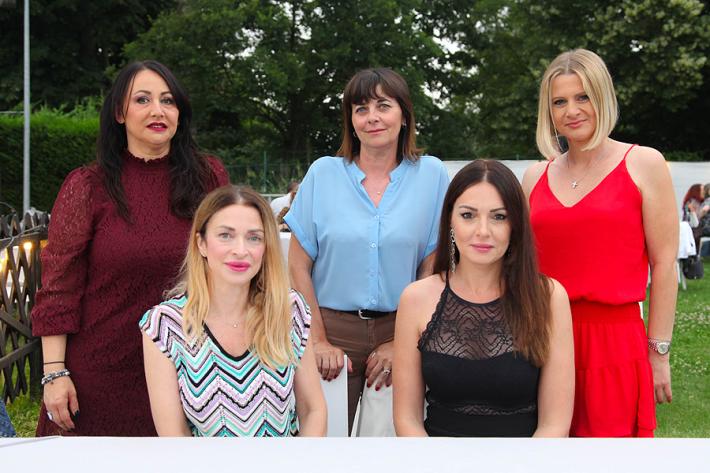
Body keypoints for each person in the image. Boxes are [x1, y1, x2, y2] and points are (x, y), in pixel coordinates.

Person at [31, 60, 229, 436]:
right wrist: (54, 372)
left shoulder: (209, 178)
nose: (158, 110)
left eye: (168, 100)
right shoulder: (88, 185)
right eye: (142, 99)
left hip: (191, 370)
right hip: (101, 375)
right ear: (119, 113)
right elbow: (59, 288)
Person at [523, 49, 678, 437]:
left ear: (603, 97)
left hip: (614, 343)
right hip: (542, 338)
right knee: (540, 454)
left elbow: (664, 263)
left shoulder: (644, 163)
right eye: (559, 101)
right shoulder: (534, 177)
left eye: (583, 97)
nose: (572, 111)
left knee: (610, 455)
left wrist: (659, 352)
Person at [285, 68, 450, 431]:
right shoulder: (323, 174)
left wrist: (401, 342)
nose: (372, 117)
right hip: (330, 328)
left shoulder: (432, 175)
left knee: (389, 444)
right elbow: (297, 266)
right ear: (351, 121)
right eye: (361, 109)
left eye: (383, 106)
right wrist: (317, 340)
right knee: (322, 440)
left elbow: (432, 266)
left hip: (401, 326)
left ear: (404, 115)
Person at [393, 160, 574, 437]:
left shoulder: (548, 297)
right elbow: (407, 419)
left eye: (498, 217)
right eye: (468, 215)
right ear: (450, 220)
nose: (483, 231)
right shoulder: (415, 298)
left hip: (527, 458)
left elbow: (555, 425)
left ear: (516, 225)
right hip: (435, 458)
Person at [140, 185, 326, 436]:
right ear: (201, 244)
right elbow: (174, 435)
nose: (240, 250)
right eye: (225, 235)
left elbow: (313, 409)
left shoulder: (289, 309)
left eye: (254, 237)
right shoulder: (164, 324)